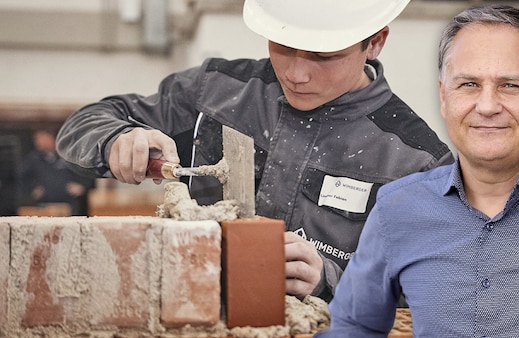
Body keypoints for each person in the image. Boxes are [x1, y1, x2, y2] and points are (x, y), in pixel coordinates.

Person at [55, 0, 454, 302]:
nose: (296, 73)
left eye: (322, 56)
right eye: (283, 47)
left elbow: (434, 294)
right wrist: (116, 139)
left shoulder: (416, 162)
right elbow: (84, 124)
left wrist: (331, 281)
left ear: (375, 42)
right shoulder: (216, 90)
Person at [313, 4, 519, 338]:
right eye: (469, 84)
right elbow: (354, 327)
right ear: (445, 97)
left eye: (510, 85)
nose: (488, 105)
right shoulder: (397, 210)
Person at [20, 128, 94, 216]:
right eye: (36, 139)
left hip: (70, 206)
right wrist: (32, 189)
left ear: (51, 138)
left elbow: (88, 173)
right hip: (44, 207)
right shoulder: (34, 159)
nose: (38, 142)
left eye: (41, 138)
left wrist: (82, 186)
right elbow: (22, 178)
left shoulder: (69, 155)